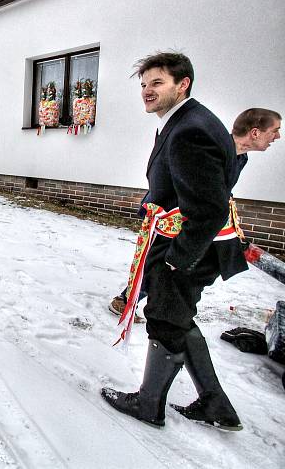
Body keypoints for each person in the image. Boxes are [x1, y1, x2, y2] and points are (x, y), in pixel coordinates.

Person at [101, 52, 249, 431]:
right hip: (192, 243)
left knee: (166, 319)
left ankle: (149, 404)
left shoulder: (189, 130)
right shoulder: (188, 120)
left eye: (157, 83)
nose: (147, 92)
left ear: (182, 84)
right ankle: (216, 405)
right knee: (179, 318)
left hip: (187, 248)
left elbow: (210, 207)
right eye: (144, 85)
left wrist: (177, 259)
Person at [108, 107, 281, 316]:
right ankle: (127, 299)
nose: (277, 136)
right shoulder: (209, 146)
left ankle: (151, 303)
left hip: (193, 220)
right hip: (172, 215)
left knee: (179, 270)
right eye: (274, 130)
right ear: (255, 132)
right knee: (158, 263)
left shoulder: (240, 158)